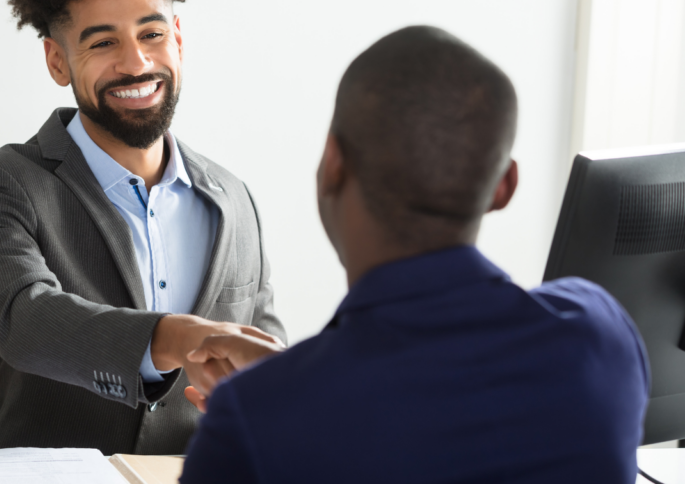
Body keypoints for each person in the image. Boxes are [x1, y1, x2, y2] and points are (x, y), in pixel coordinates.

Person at [179, 26, 649, 483]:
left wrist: (279, 393)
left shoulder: (253, 422)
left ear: (333, 165)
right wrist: (286, 384)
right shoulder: (600, 334)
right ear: (503, 187)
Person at [0, 0, 285, 456]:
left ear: (177, 38)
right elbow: (25, 319)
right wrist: (179, 336)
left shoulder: (233, 197)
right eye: (102, 43)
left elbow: (264, 361)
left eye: (151, 33)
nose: (135, 62)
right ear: (58, 61)